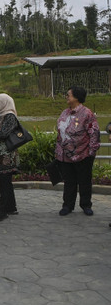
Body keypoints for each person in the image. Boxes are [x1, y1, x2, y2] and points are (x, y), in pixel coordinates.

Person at [55, 86, 100, 216]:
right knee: (69, 182)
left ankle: (86, 205)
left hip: (83, 154)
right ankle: (68, 205)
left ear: (76, 97)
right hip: (65, 156)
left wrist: (91, 152)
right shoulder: (65, 112)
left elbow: (94, 133)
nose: (66, 97)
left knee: (84, 181)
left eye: (68, 95)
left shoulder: (87, 114)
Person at [0, 93, 21, 222]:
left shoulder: (10, 116)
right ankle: (11, 207)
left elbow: (4, 133)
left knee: (5, 182)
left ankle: (3, 210)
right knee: (5, 182)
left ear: (3, 103)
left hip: (7, 155)